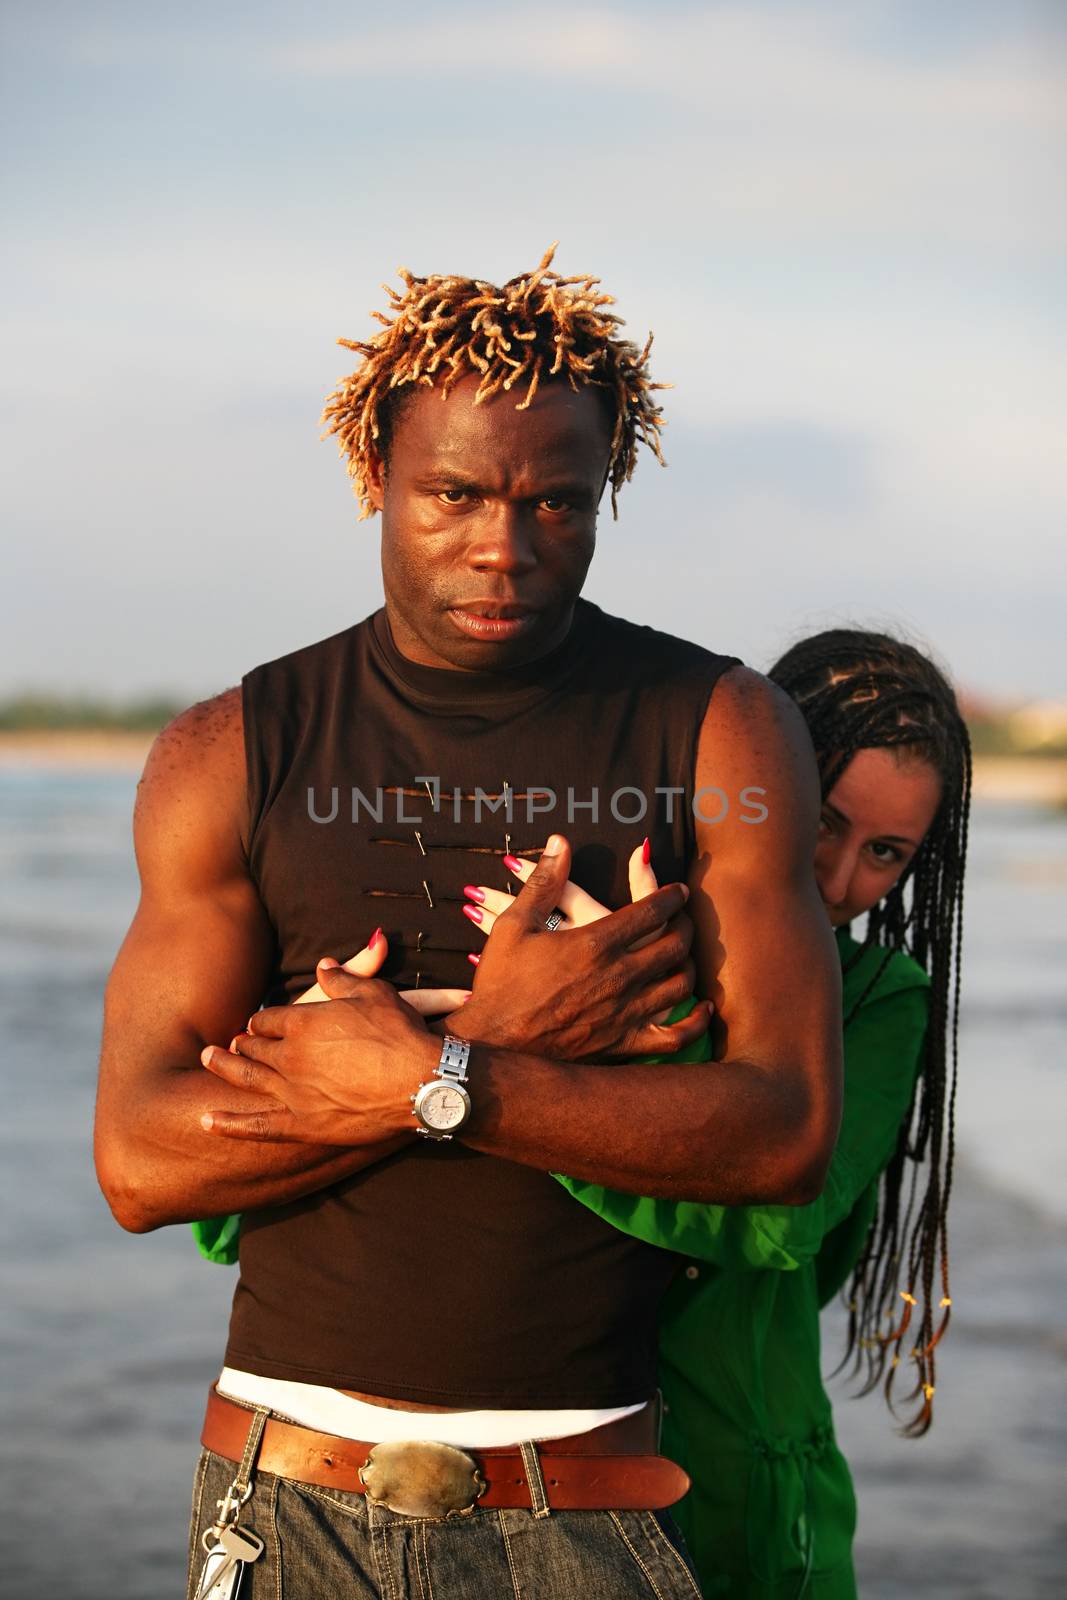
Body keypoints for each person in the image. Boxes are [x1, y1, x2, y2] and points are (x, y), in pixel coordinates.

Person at [94, 246, 843, 1599]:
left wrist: (450, 1079)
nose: (503, 546)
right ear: (374, 475)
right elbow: (139, 1165)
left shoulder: (715, 729)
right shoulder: (232, 752)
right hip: (281, 1496)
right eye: (454, 494)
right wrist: (481, 1045)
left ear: (603, 489)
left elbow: (785, 1131)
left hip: (579, 1501)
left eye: (556, 502)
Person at [460, 628, 971, 1597]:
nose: (834, 880)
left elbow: (780, 1218)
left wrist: (497, 1075)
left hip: (750, 1502)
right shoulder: (590, 942)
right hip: (546, 1484)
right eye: (820, 821)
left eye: (884, 853)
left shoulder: (877, 997)